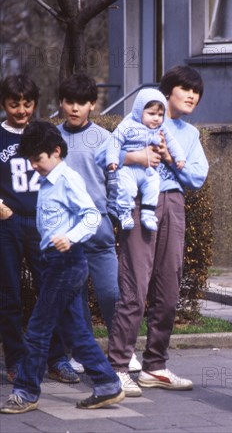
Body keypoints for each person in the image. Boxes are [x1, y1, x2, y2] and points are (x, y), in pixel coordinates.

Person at [1, 121, 123, 414]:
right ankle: (108, 384)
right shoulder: (47, 180)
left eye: (37, 159)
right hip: (57, 262)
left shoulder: (67, 179)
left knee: (38, 330)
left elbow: (92, 216)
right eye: (29, 160)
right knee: (76, 333)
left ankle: (26, 392)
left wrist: (70, 237)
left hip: (66, 263)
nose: (33, 166)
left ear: (56, 151)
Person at [101, 66, 209, 397]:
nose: (192, 96)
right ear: (166, 93)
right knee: (135, 286)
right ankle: (118, 367)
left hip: (173, 204)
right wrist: (137, 156)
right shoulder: (136, 120)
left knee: (170, 286)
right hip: (138, 203)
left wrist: (171, 159)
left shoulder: (189, 134)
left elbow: (197, 176)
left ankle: (155, 365)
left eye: (196, 92)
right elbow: (103, 157)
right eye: (185, 89)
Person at [0, 75, 79, 386]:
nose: (21, 110)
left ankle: (56, 358)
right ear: (4, 103)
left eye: (27, 103)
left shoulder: (44, 133)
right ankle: (16, 359)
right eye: (13, 104)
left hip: (45, 223)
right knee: (9, 293)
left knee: (51, 290)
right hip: (9, 223)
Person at [55, 73, 134, 373]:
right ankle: (81, 351)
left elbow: (115, 182)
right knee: (74, 297)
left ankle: (122, 350)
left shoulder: (104, 138)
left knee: (111, 293)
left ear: (92, 105)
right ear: (61, 103)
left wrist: (113, 217)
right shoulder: (53, 139)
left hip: (98, 228)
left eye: (81, 103)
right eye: (69, 102)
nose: (74, 108)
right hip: (65, 230)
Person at [106, 88, 186, 231]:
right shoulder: (128, 125)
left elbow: (172, 142)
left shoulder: (161, 128)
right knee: (126, 188)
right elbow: (115, 141)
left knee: (154, 185)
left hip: (148, 170)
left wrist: (179, 157)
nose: (156, 118)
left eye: (160, 114)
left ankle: (148, 214)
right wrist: (112, 159)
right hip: (128, 169)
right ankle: (124, 213)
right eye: (151, 113)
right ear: (139, 112)